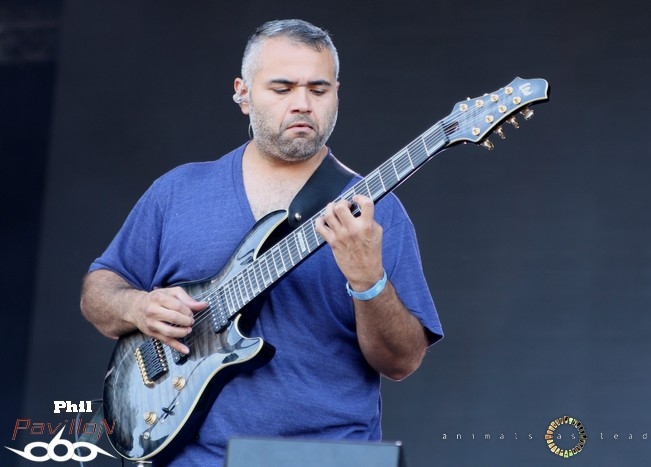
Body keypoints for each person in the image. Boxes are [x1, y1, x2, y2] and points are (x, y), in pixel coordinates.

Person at [80, 18, 442, 466]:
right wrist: (137, 307)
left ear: (336, 95)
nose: (302, 104)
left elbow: (402, 361)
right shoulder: (177, 192)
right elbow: (99, 291)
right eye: (282, 88)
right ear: (243, 93)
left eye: (318, 89)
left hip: (326, 458)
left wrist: (368, 280)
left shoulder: (374, 211)